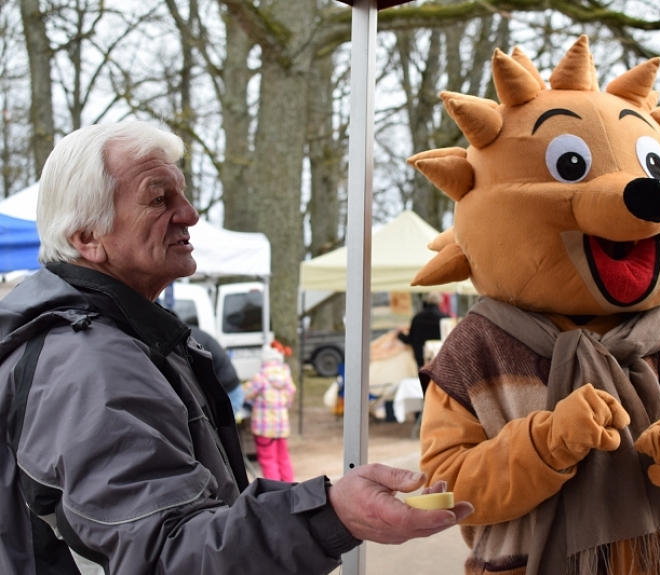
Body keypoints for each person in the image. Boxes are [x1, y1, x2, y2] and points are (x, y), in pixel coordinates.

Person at [0, 121, 473, 575]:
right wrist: (333, 515)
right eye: (159, 199)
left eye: (182, 194)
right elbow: (168, 555)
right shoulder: (90, 363)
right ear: (88, 239)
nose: (190, 214)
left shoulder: (116, 338)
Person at [243, 343, 296, 481]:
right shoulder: (286, 375)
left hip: (264, 428)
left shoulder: (261, 376)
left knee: (268, 460)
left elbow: (245, 393)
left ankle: (275, 492)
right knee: (283, 459)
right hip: (281, 426)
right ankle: (290, 488)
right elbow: (290, 395)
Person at [188, 324, 245, 416]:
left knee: (222, 427)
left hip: (228, 392)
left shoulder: (189, 338)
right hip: (231, 388)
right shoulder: (193, 332)